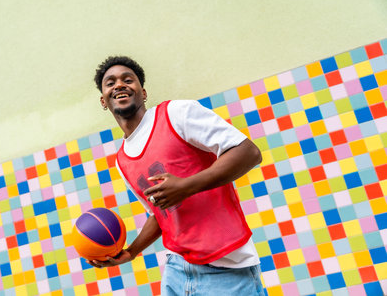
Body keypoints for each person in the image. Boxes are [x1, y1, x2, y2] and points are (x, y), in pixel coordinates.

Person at [89, 56, 264, 295]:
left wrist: (187, 186)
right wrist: (131, 251)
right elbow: (159, 213)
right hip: (177, 270)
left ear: (143, 92)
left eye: (128, 80)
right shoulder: (122, 160)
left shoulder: (177, 113)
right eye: (110, 82)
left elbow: (248, 152)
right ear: (103, 100)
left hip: (226, 267)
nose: (119, 85)